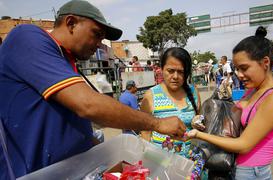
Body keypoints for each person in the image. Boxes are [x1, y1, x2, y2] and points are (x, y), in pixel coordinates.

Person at [0, 0, 186, 178]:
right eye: (96, 34)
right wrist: (157, 123)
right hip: (31, 173)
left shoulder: (66, 61)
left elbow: (76, 128)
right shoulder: (27, 37)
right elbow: (88, 104)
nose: (99, 44)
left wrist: (114, 161)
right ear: (71, 23)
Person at [187, 26, 273, 180]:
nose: (239, 74)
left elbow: (243, 145)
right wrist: (204, 120)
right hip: (237, 166)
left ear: (265, 62)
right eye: (236, 69)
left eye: (244, 68)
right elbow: (233, 119)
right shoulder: (253, 90)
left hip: (252, 172)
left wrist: (199, 135)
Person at [140, 47, 201, 157]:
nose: (175, 76)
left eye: (181, 72)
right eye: (170, 71)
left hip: (190, 164)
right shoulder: (151, 96)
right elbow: (145, 132)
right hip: (160, 164)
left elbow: (198, 124)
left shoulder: (193, 92)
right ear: (162, 69)